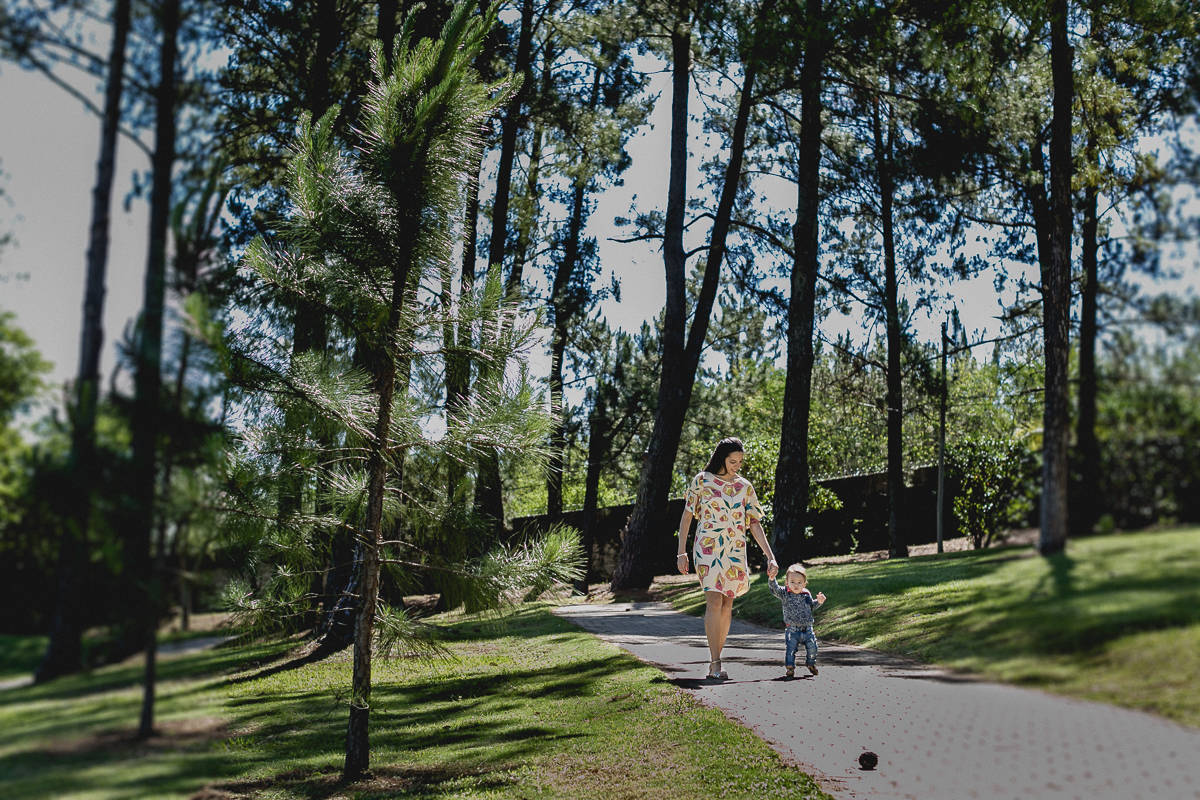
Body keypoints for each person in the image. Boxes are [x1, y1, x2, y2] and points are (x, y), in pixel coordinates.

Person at [677, 437, 779, 680]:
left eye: (740, 462)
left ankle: (717, 657)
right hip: (707, 546)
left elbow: (754, 524)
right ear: (721, 458)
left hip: (735, 549)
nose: (737, 466)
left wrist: (770, 557)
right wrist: (681, 551)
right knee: (713, 601)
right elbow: (687, 517)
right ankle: (715, 663)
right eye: (733, 461)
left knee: (726, 605)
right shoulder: (702, 480)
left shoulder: (745, 487)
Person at [768, 563, 826, 677]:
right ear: (787, 583)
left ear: (804, 584)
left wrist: (818, 602)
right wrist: (771, 579)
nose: (796, 585)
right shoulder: (785, 593)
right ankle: (790, 668)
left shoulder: (806, 594)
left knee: (813, 648)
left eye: (799, 583)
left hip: (807, 629)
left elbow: (810, 607)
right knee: (791, 650)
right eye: (792, 582)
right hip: (792, 629)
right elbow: (774, 589)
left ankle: (810, 663)